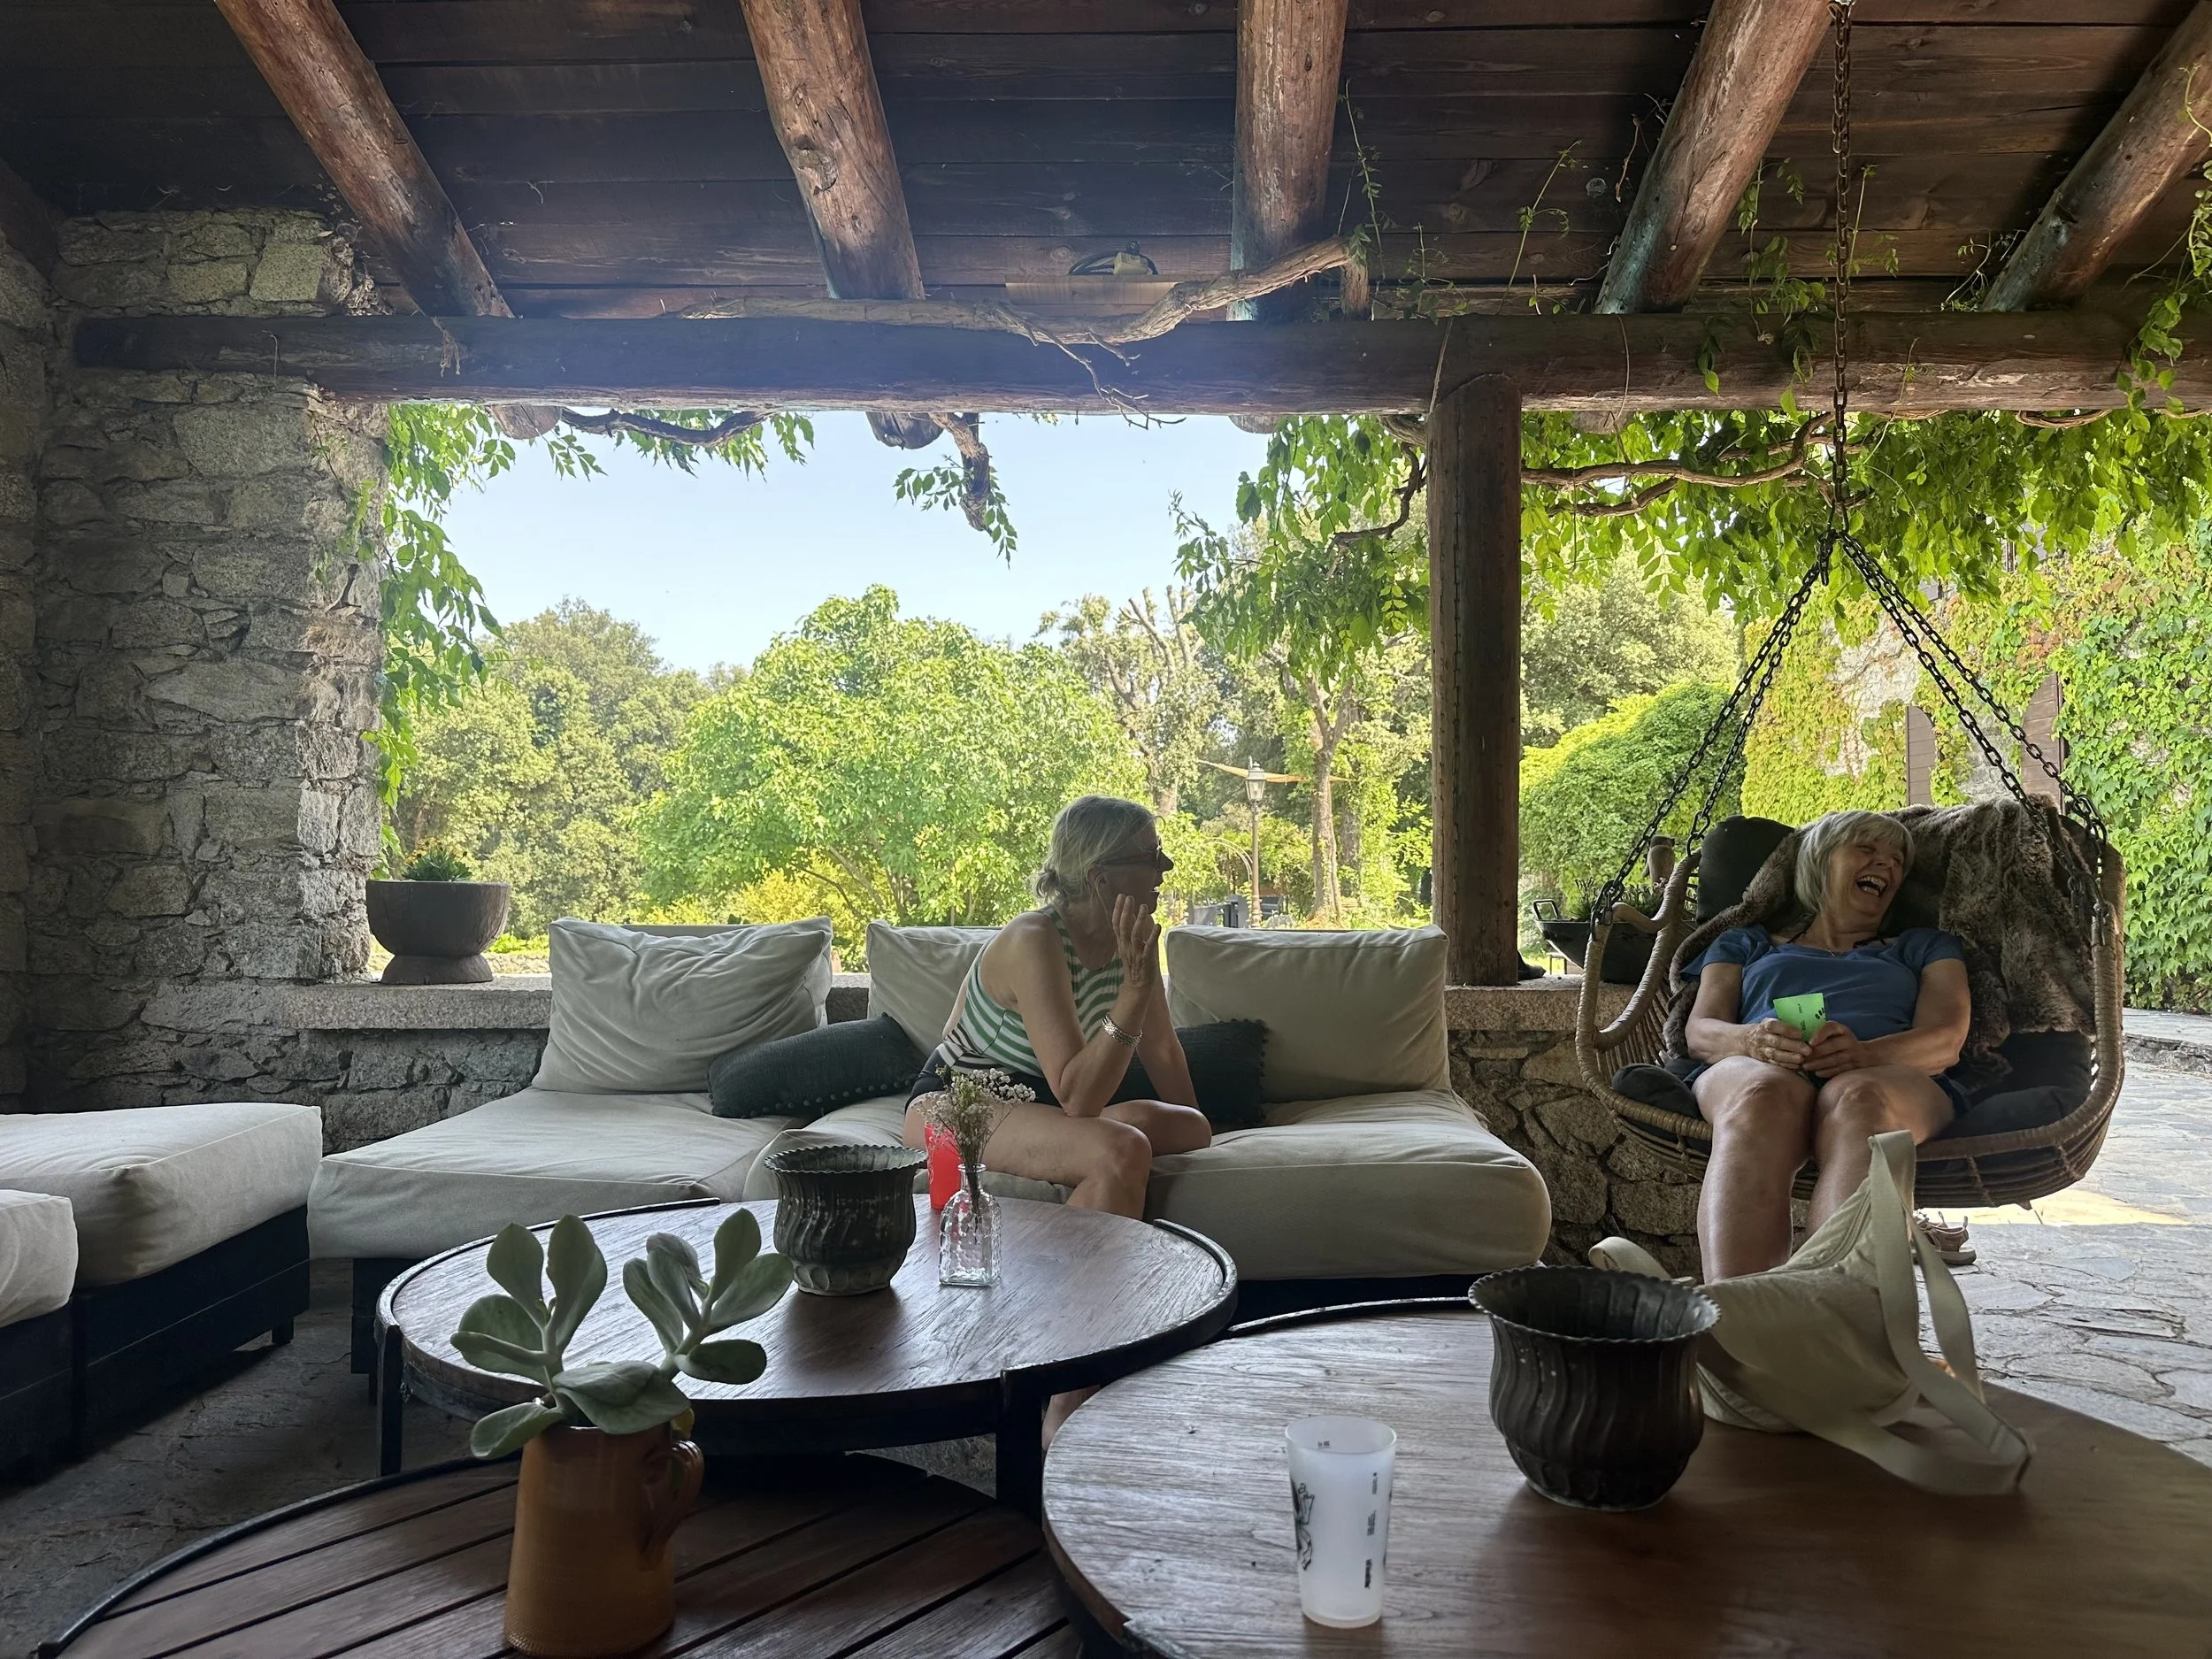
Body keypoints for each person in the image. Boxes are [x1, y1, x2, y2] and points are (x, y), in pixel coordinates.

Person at [1683, 809, 1972, 1279]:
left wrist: (1866, 1054)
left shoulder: (1924, 946)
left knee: (1859, 1097)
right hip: (1761, 1065)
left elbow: (1945, 1041)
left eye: (1897, 859)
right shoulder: (1746, 943)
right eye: (1866, 849)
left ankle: (1837, 1312)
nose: (1888, 865)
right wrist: (1752, 1040)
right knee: (1763, 1094)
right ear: (1819, 863)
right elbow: (1700, 1032)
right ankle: (1738, 1317)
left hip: (1890, 1074)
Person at [901, 794, 1213, 1220]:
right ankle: (1062, 1282)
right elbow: (1078, 1098)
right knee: (1121, 1150)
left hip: (1041, 1104)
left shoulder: (1129, 937)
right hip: (957, 1102)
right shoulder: (1036, 939)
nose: (1166, 867)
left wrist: (1203, 1123)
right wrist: (1133, 992)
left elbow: (1160, 1049)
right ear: (1100, 876)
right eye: (1151, 856)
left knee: (1192, 1127)